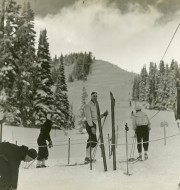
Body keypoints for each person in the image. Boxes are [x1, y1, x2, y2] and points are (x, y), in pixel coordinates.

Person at [84, 92, 108, 163]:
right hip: (90, 124)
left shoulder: (95, 105)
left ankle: (87, 157)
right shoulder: (88, 105)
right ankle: (87, 157)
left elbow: (96, 117)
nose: (95, 97)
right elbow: (88, 117)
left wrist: (103, 115)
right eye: (94, 96)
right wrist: (91, 127)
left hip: (93, 124)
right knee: (93, 141)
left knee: (91, 140)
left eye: (96, 96)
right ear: (91, 97)